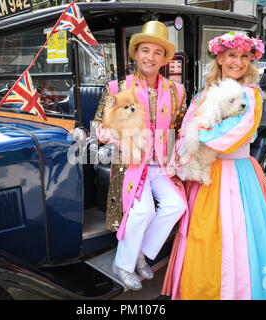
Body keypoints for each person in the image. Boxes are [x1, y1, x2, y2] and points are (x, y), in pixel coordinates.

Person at [161, 32, 266, 300]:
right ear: (220, 58)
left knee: (237, 241)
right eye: (232, 55)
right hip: (205, 175)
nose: (239, 62)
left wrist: (198, 138)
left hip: (236, 176)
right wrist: (184, 150)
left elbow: (231, 136)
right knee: (201, 239)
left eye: (245, 56)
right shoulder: (204, 94)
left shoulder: (250, 94)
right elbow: (186, 130)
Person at [92, 21, 187, 290]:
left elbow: (180, 127)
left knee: (176, 206)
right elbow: (99, 127)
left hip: (163, 165)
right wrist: (121, 137)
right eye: (145, 50)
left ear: (165, 58)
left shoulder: (176, 91)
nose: (150, 57)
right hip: (132, 164)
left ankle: (142, 252)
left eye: (158, 52)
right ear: (136, 53)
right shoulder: (117, 87)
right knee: (143, 210)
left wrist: (181, 151)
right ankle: (122, 264)